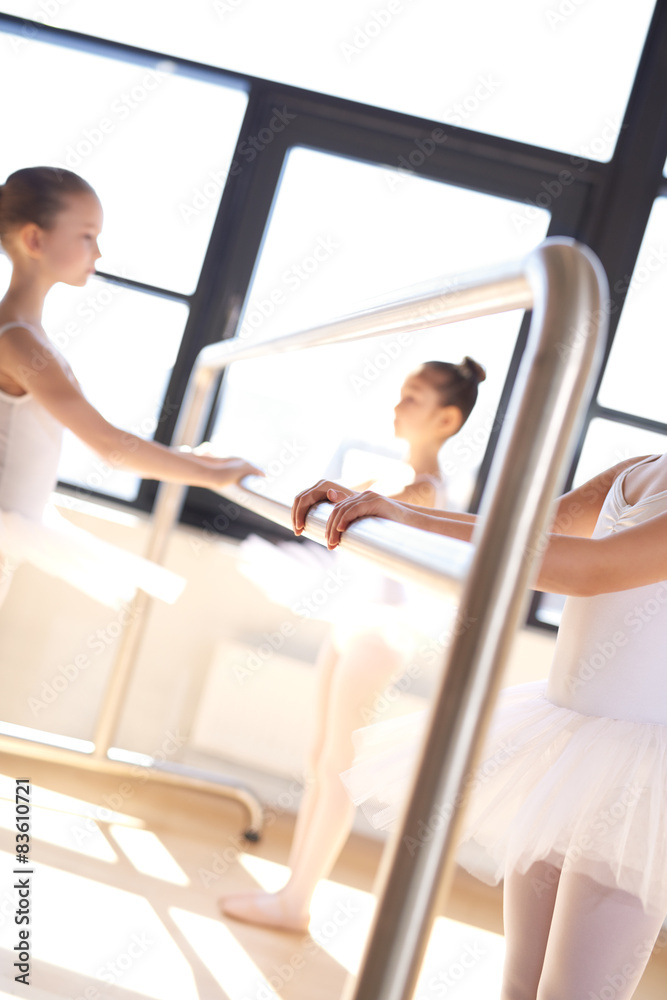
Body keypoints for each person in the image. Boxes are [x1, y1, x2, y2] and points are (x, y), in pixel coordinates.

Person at [290, 454, 667, 998]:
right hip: (570, 748)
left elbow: (591, 568)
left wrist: (411, 520)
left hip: (643, 780)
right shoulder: (639, 468)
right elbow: (530, 533)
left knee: (576, 991)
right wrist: (401, 515)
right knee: (520, 979)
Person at [220, 356, 486, 932]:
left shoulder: (425, 485)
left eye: (412, 398)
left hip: (378, 634)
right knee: (323, 759)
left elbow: (400, 500)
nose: (396, 405)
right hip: (357, 622)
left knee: (337, 767)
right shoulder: (397, 479)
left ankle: (297, 902)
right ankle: (293, 891)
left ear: (445, 419)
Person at [0, 165, 260, 608]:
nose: (97, 252)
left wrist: (187, 460)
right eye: (86, 236)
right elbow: (109, 447)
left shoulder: (28, 335)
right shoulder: (17, 341)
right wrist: (212, 475)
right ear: (35, 240)